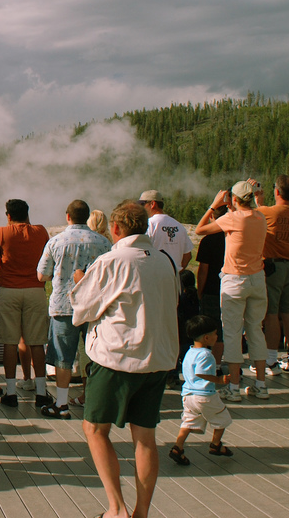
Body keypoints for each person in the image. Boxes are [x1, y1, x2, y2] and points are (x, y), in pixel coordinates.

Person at [71, 201, 179, 518]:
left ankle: (116, 508)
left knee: (94, 430)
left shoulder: (111, 261)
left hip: (117, 358)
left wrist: (80, 280)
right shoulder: (164, 262)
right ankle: (141, 512)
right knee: (145, 438)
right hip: (157, 359)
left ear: (115, 229)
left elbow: (82, 310)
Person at [194, 181, 268, 400]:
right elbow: (253, 208)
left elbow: (199, 230)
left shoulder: (231, 219)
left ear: (233, 200)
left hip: (235, 280)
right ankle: (261, 385)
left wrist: (213, 206)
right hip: (257, 278)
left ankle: (234, 387)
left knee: (232, 332)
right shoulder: (260, 217)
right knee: (255, 329)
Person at [36, 199, 111, 419]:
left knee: (62, 357)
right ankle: (95, 400)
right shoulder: (104, 243)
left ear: (67, 216)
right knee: (96, 355)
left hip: (63, 305)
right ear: (86, 216)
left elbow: (42, 275)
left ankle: (61, 403)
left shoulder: (56, 241)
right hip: (95, 306)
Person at [0, 199, 52, 408]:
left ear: (8, 215)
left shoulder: (2, 232)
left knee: (9, 342)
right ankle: (41, 392)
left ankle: (11, 391)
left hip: (9, 290)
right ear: (27, 213)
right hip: (35, 289)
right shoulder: (41, 232)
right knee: (36, 341)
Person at [250, 176, 289, 374]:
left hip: (274, 266)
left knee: (271, 314)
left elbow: (253, 214)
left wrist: (258, 200)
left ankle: (271, 359)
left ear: (277, 192)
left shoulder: (268, 212)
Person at [169, 315, 233, 466]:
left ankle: (178, 447)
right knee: (222, 417)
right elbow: (200, 372)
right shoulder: (206, 354)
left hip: (188, 396)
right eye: (215, 334)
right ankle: (216, 444)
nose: (217, 337)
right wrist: (219, 380)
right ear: (206, 337)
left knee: (188, 422)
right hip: (204, 396)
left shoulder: (189, 352)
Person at [195, 205, 227, 366]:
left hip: (211, 289)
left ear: (213, 218)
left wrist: (200, 291)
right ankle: (219, 364)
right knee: (221, 329)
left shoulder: (208, 240)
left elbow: (203, 270)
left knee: (209, 327)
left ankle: (209, 365)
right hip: (227, 288)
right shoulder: (231, 238)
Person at [139, 190, 193, 270]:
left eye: (142, 204)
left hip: (155, 275)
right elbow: (187, 255)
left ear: (152, 204)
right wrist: (177, 271)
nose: (141, 208)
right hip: (173, 278)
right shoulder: (179, 226)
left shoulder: (149, 224)